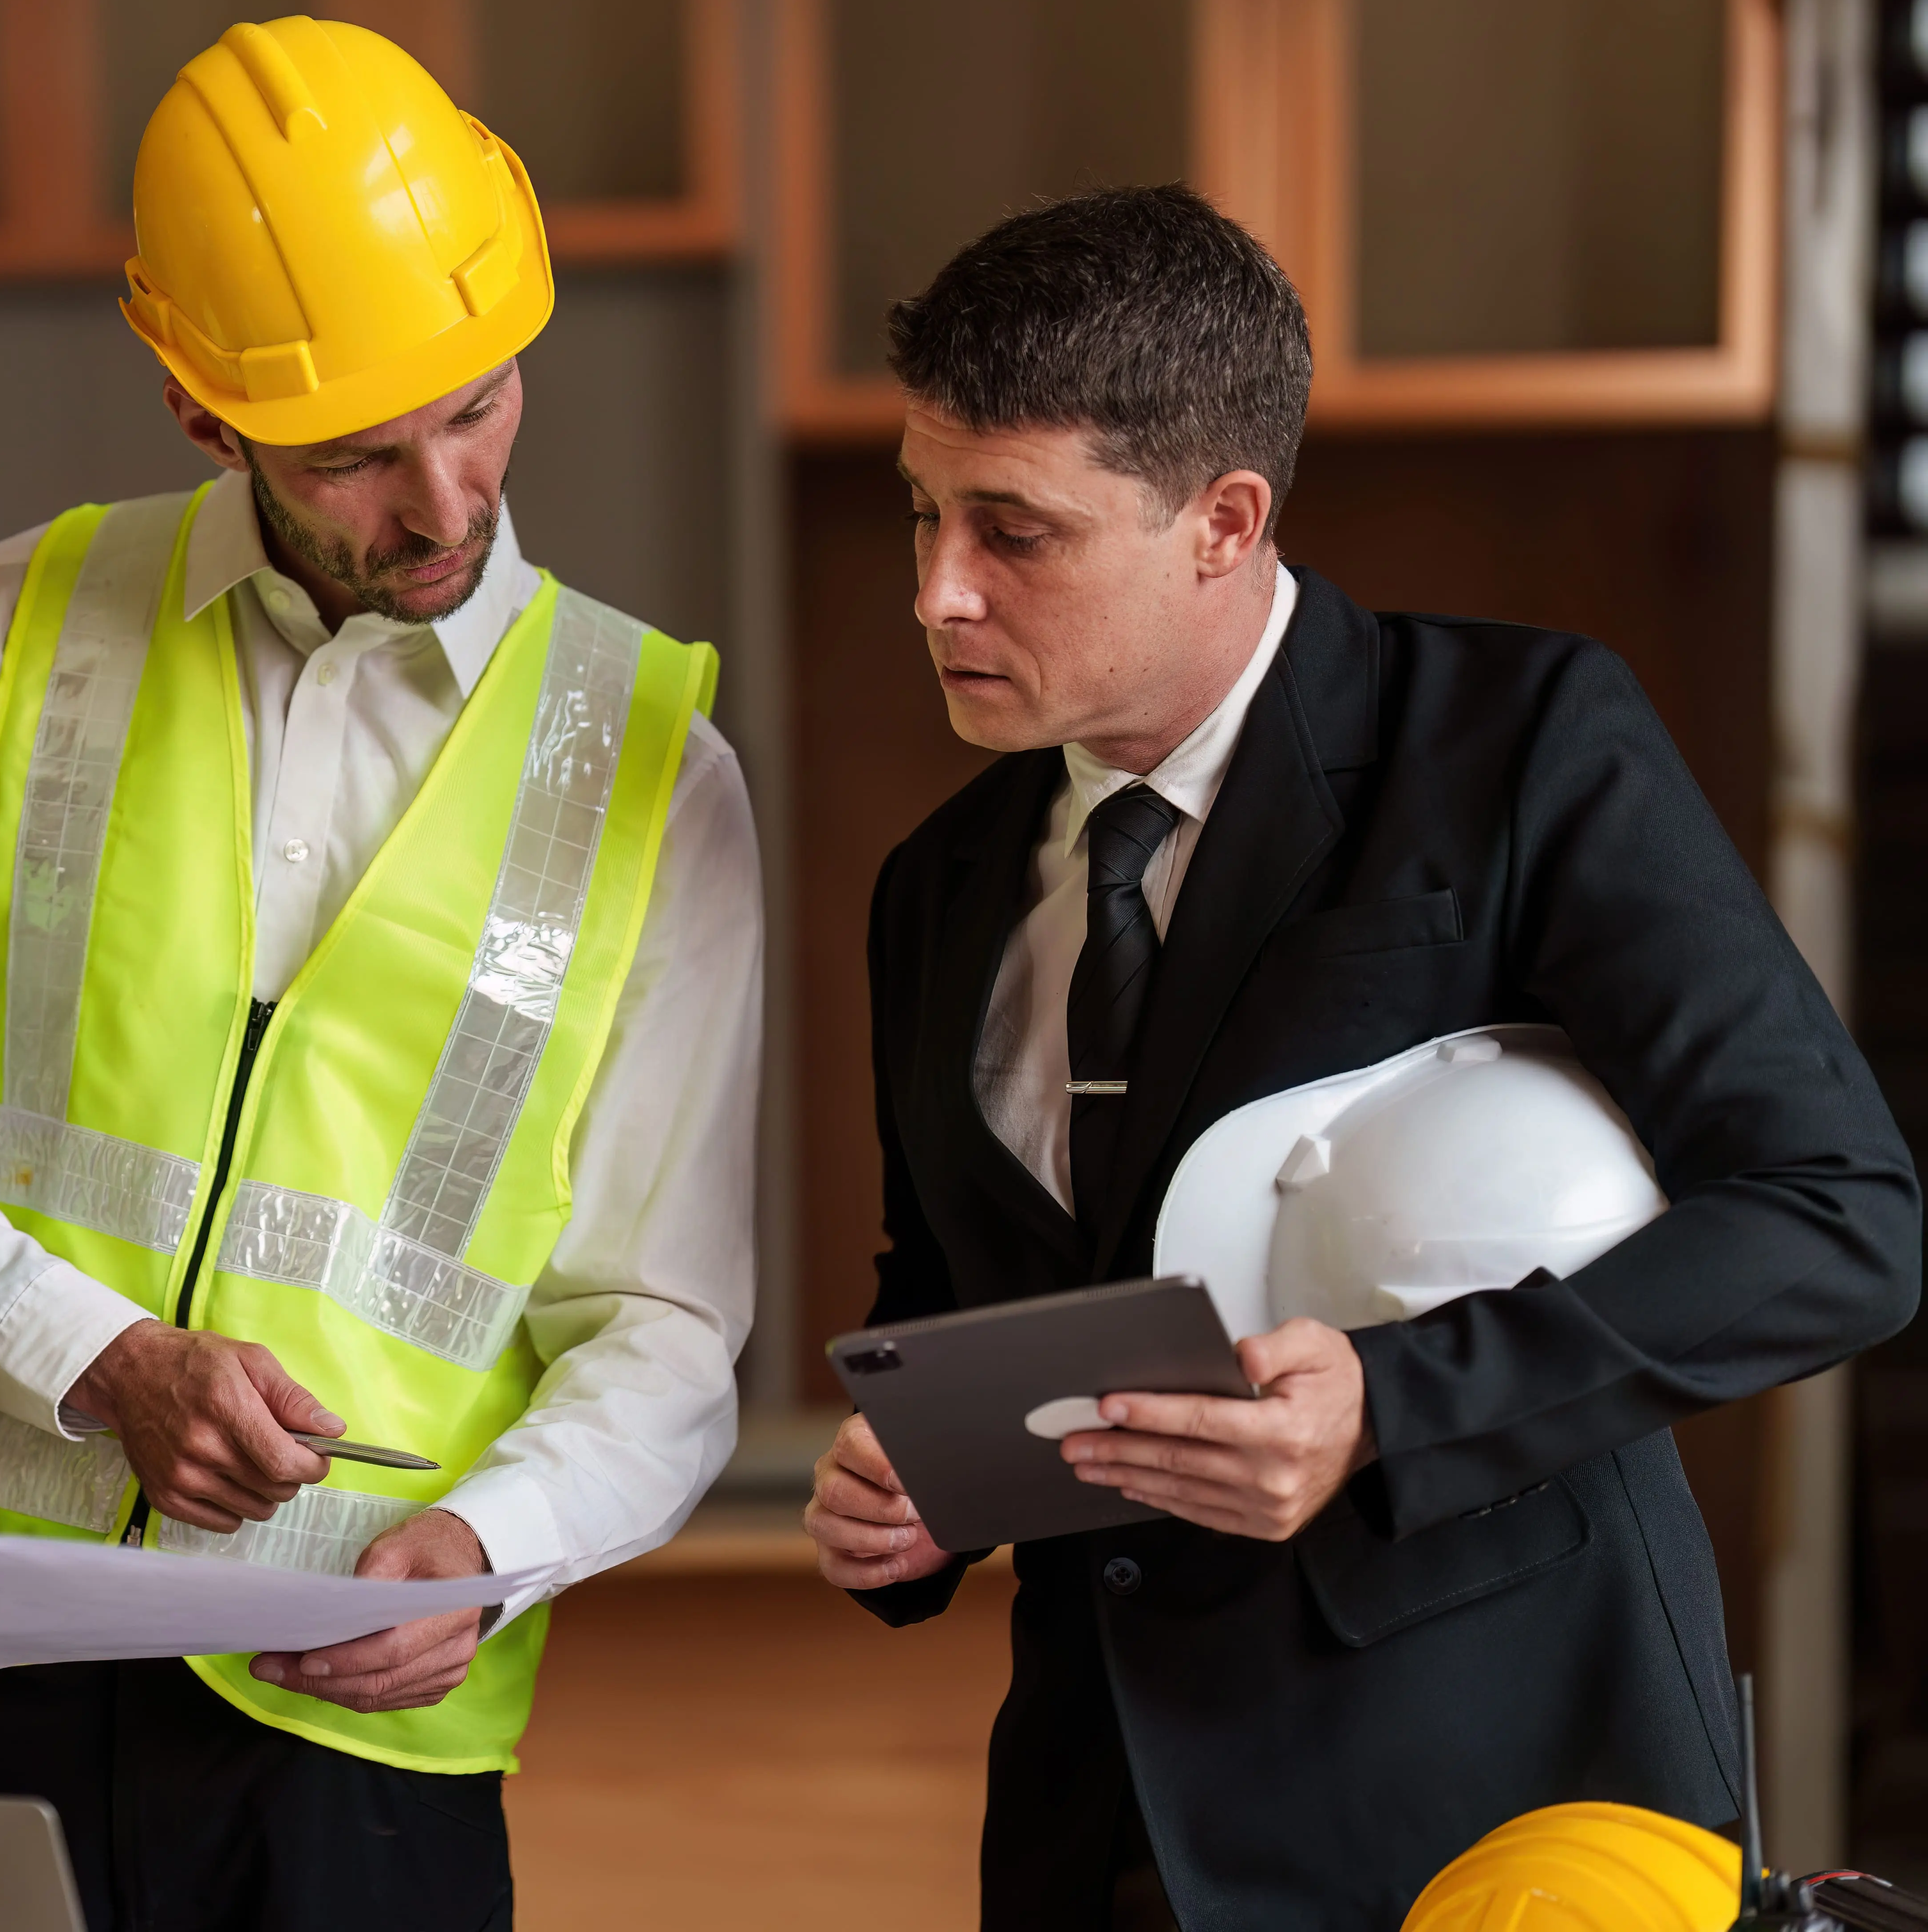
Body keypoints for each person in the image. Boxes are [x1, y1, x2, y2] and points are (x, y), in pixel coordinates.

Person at [0, 15, 760, 1931]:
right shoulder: (4, 632)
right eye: (363, 454)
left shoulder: (652, 777)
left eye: (481, 404)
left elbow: (668, 1322)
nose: (447, 504)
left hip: (351, 1755)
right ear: (205, 417)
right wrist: (95, 1362)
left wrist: (490, 1544)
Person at [799, 185, 1920, 1931]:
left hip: (1507, 1809)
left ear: (1224, 522)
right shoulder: (931, 887)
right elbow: (955, 1296)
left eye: (1011, 532)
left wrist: (1395, 1408)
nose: (937, 591)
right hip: (1099, 1840)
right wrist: (911, 1496)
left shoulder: (1524, 744)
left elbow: (1837, 1220)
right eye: (923, 513)